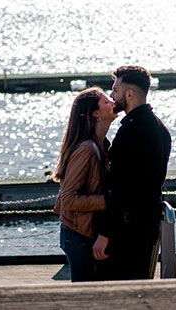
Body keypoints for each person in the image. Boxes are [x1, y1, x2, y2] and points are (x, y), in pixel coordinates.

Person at [92, 65, 171, 280]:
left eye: (115, 90)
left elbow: (122, 188)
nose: (112, 95)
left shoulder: (133, 130)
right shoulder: (159, 128)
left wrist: (105, 233)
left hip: (126, 231)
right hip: (145, 225)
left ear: (130, 94)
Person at [53, 87, 117, 282]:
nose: (113, 102)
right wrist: (109, 201)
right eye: (107, 102)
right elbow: (68, 199)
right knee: (85, 294)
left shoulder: (102, 145)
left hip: (83, 231)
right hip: (79, 234)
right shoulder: (87, 149)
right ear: (95, 114)